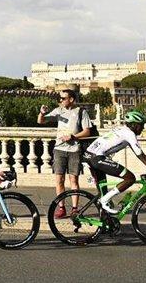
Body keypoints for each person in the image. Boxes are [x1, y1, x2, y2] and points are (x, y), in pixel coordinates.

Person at [82, 110, 146, 213]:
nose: (143, 128)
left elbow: (137, 153)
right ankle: (104, 201)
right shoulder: (129, 134)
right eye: (141, 125)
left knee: (104, 192)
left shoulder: (121, 129)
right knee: (130, 178)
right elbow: (141, 156)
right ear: (134, 125)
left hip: (89, 156)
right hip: (97, 158)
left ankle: (105, 221)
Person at [37, 89, 92, 218]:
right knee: (59, 180)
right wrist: (42, 113)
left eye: (63, 98)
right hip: (59, 149)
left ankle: (74, 209)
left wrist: (73, 137)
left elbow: (87, 132)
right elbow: (41, 121)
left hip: (74, 150)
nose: (60, 100)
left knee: (73, 179)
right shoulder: (59, 111)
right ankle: (61, 208)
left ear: (71, 99)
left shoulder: (81, 112)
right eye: (60, 98)